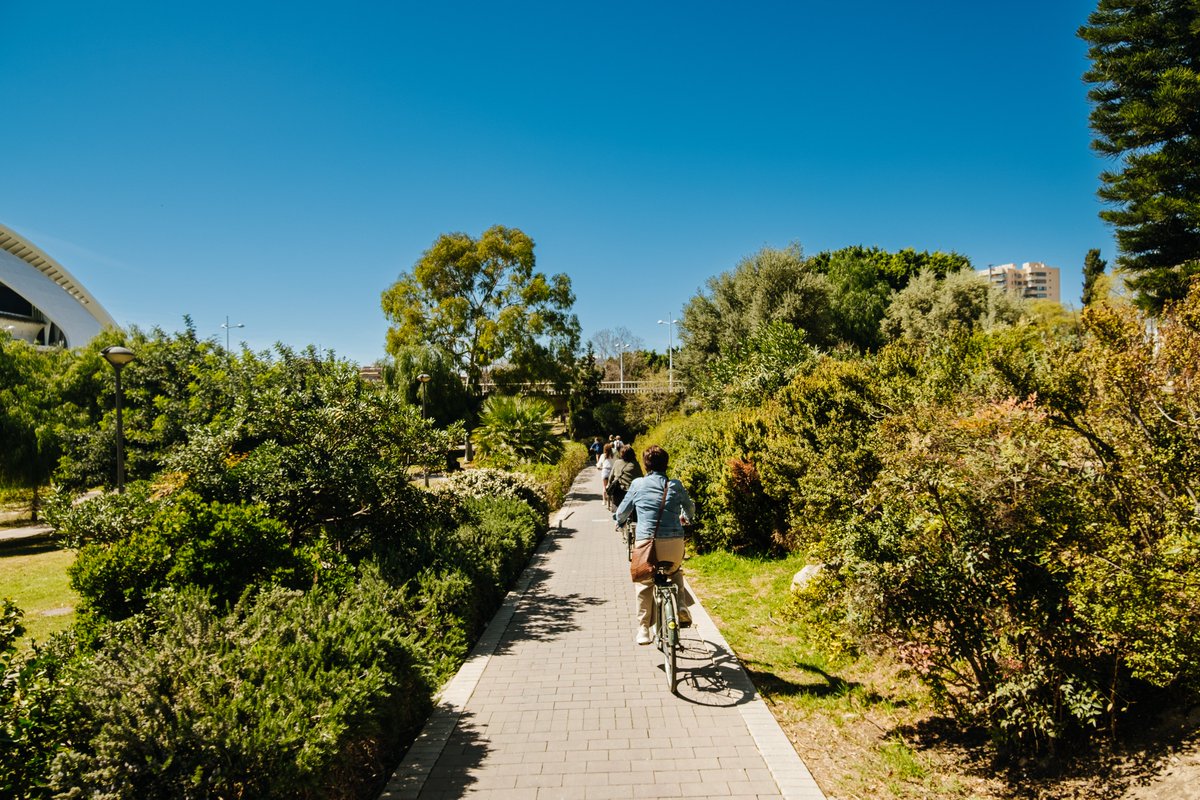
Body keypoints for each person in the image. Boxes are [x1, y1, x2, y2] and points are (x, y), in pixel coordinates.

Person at [615, 445, 696, 645]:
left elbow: (622, 512)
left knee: (644, 582)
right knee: (675, 571)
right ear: (666, 464)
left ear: (645, 465)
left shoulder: (637, 484)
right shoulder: (675, 485)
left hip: (647, 544)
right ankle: (681, 606)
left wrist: (619, 521)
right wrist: (686, 518)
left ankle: (643, 629)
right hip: (674, 544)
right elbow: (689, 507)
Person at [605, 444, 641, 509]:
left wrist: (609, 485)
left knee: (617, 511)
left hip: (618, 492)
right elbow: (640, 478)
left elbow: (611, 477)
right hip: (631, 493)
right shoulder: (635, 464)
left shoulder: (617, 462)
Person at [599, 442, 615, 508]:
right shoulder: (613, 456)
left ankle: (604, 500)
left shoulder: (603, 455)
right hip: (612, 472)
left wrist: (598, 467)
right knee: (612, 486)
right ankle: (613, 501)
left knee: (604, 486)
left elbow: (599, 464)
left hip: (605, 471)